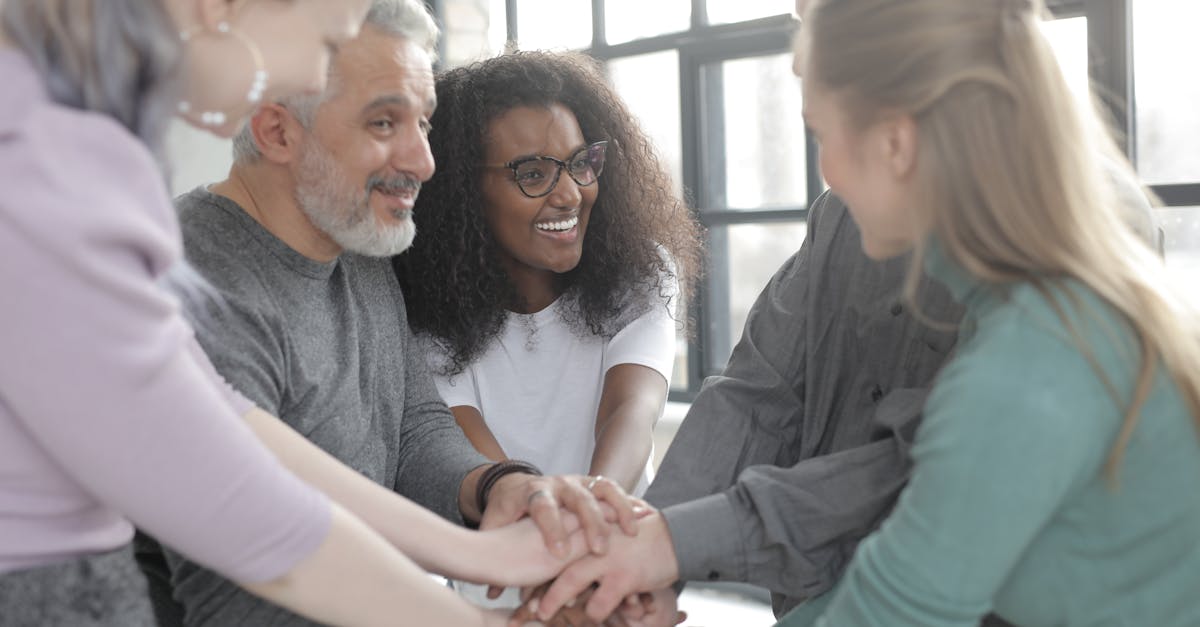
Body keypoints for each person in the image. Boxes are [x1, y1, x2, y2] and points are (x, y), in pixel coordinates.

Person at [525, 0, 1182, 624]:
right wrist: (651, 555)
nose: (827, 171)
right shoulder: (852, 225)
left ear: (895, 140)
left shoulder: (1032, 353)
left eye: (822, 131)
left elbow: (913, 520)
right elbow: (755, 394)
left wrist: (666, 542)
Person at [0, 0, 586, 626]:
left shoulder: (84, 139)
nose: (425, 163)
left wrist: (490, 526)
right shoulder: (51, 158)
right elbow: (248, 520)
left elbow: (238, 433)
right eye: (327, 36)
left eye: (424, 124)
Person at [137, 5, 640, 627]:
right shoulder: (197, 284)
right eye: (384, 122)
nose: (423, 161)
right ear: (276, 132)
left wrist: (496, 488)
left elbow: (413, 431)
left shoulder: (357, 246)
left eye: (423, 123)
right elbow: (243, 581)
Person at [392, 49, 701, 619]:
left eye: (582, 162)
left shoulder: (643, 270)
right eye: (533, 173)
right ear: (462, 190)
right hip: (503, 595)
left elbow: (631, 413)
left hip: (621, 578)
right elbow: (475, 460)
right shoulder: (423, 310)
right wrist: (561, 583)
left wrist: (589, 553)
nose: (570, 194)